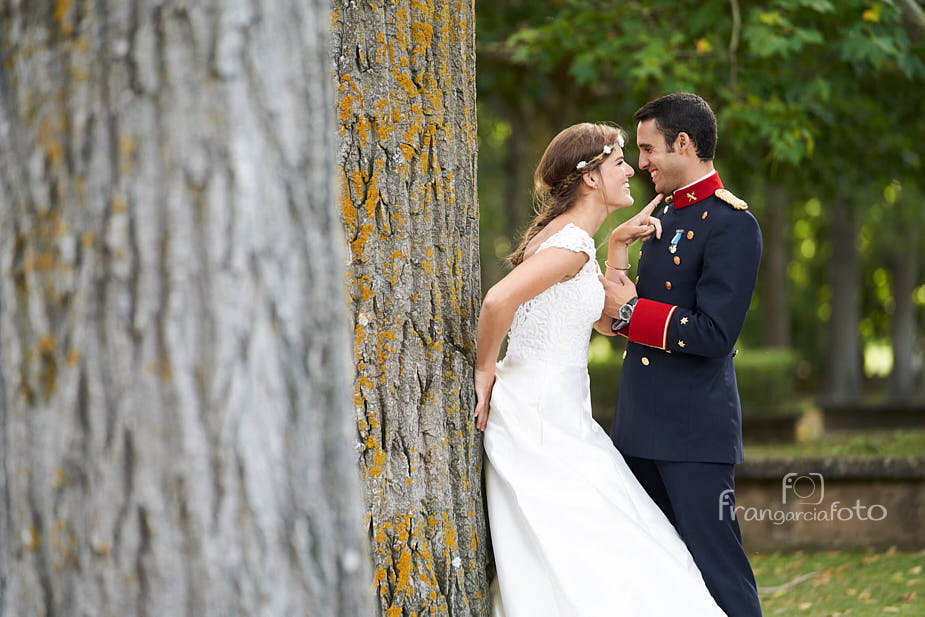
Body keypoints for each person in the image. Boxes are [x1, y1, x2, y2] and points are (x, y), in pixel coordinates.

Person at [474, 122, 726, 616]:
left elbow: (605, 321)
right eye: (619, 163)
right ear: (591, 177)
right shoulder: (570, 244)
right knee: (601, 547)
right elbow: (497, 300)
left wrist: (615, 253)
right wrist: (485, 369)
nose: (632, 169)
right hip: (541, 418)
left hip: (564, 411)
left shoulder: (577, 243)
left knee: (616, 537)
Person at [600, 92, 763, 616]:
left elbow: (715, 333)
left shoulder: (733, 224)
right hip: (640, 425)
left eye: (648, 150)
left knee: (720, 573)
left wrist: (630, 313)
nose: (640, 162)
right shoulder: (664, 214)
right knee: (654, 574)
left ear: (684, 144)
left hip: (693, 435)